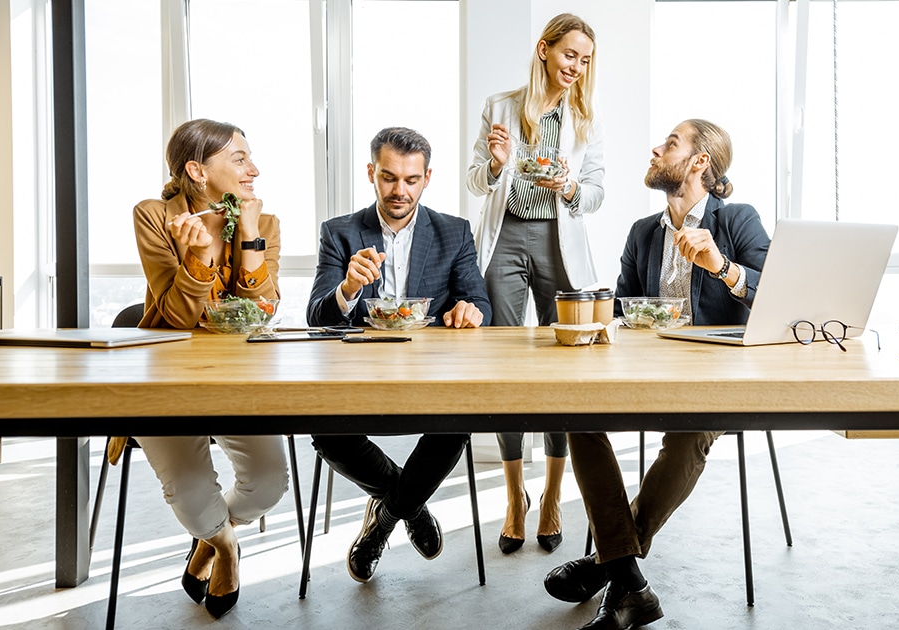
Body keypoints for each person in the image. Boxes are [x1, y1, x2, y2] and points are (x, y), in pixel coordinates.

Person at [544, 120, 771, 630]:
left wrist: (722, 266)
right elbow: (624, 307)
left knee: (689, 433)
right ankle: (627, 578)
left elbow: (773, 293)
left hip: (718, 377)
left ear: (698, 163)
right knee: (575, 414)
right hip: (645, 371)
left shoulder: (737, 221)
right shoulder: (643, 233)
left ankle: (614, 563)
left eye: (671, 143)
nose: (656, 147)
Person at [307, 127, 491, 583]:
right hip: (356, 373)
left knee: (458, 422)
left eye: (411, 180)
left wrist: (471, 311)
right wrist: (348, 288)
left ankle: (383, 520)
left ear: (427, 178)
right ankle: (409, 504)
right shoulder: (340, 233)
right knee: (324, 430)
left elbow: (480, 302)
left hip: (431, 373)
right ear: (371, 173)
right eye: (388, 178)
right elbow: (316, 316)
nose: (399, 191)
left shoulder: (453, 231)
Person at [131, 118, 289, 619]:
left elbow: (263, 310)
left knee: (269, 484)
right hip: (163, 379)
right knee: (193, 495)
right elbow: (176, 316)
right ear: (198, 170)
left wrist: (246, 235)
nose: (254, 169)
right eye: (239, 159)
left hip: (237, 378)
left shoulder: (263, 222)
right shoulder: (155, 216)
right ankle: (223, 547)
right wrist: (199, 257)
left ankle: (209, 542)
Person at [466, 12, 604, 556]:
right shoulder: (501, 107)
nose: (577, 67)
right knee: (505, 364)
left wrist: (570, 185)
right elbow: (477, 181)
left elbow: (595, 193)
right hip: (505, 242)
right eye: (570, 54)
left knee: (562, 365)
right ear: (545, 49)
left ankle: (550, 495)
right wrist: (498, 164)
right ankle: (513, 498)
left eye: (586, 60)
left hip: (557, 241)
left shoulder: (586, 117)